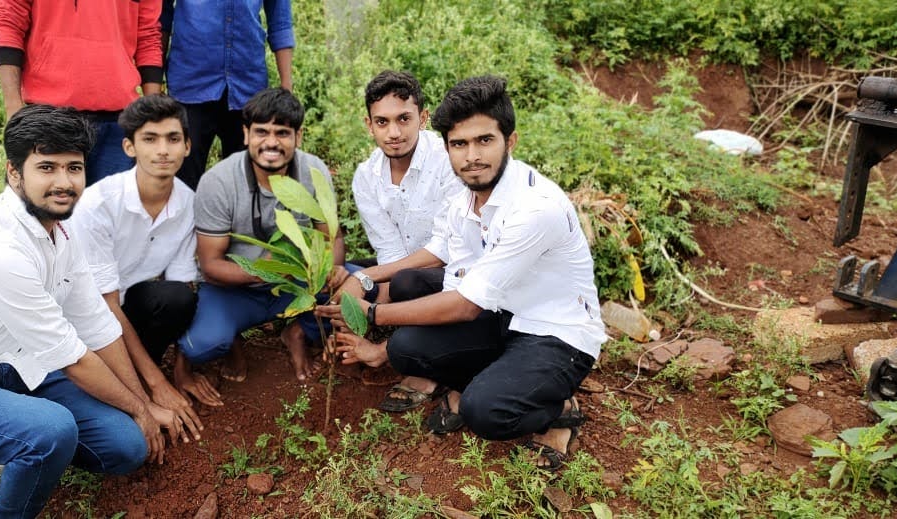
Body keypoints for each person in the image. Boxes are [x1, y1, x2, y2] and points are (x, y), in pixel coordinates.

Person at [0, 105, 190, 519]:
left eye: (74, 168)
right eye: (47, 167)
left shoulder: (63, 231)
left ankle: (18, 438)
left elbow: (99, 328)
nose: (63, 183)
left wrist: (142, 403)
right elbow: (75, 359)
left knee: (127, 446)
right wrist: (142, 408)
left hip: (18, 369)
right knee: (51, 431)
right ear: (14, 172)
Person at [319, 76, 606, 471]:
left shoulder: (534, 207)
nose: (472, 156)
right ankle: (494, 375)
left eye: (484, 141)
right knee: (406, 348)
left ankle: (557, 406)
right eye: (460, 144)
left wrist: (370, 314)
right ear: (448, 148)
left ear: (511, 140)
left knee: (485, 412)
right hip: (501, 316)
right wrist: (371, 289)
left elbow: (465, 305)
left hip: (553, 332)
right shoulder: (463, 203)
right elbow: (453, 282)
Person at [182, 88, 348, 383]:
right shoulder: (218, 181)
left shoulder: (313, 170)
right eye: (261, 132)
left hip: (298, 279)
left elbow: (331, 238)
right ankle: (232, 340)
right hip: (236, 288)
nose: (271, 143)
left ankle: (296, 331)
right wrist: (266, 272)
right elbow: (210, 264)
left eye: (282, 133)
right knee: (201, 346)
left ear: (298, 136)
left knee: (360, 289)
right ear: (245, 134)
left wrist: (331, 269)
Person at [69, 95, 223, 410]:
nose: (163, 150)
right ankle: (127, 384)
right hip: (80, 315)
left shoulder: (188, 203)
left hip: (127, 309)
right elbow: (103, 305)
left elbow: (183, 288)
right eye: (150, 139)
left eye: (173, 139)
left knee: (178, 298)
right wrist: (157, 384)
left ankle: (132, 374)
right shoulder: (98, 204)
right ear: (130, 147)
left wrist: (183, 368)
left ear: (187, 147)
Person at [339, 70, 464, 413]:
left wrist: (369, 285)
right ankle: (392, 336)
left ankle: (419, 366)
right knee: (340, 281)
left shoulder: (449, 161)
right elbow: (390, 250)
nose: (393, 133)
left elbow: (446, 249)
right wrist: (364, 287)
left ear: (423, 118)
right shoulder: (367, 176)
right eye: (382, 122)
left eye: (403, 119)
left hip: (460, 273)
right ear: (369, 125)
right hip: (410, 271)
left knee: (397, 281)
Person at [0, 0, 163, 185]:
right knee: (39, 211)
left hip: (116, 127)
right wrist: (13, 108)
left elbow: (149, 35)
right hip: (47, 120)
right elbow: (8, 19)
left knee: (110, 212)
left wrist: (151, 115)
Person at [160, 0, 294, 190]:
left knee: (245, 183)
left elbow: (280, 22)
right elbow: (161, 19)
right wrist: (155, 87)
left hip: (247, 89)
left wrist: (286, 89)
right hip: (190, 86)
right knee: (182, 183)